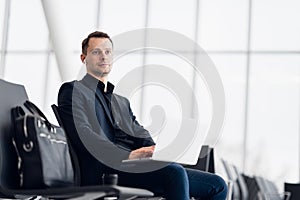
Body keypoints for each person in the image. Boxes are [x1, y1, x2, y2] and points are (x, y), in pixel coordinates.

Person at [58, 31, 227, 200]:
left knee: (217, 185)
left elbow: (139, 132)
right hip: (104, 171)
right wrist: (128, 155)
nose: (103, 57)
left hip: (133, 167)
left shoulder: (121, 101)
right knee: (174, 173)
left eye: (108, 52)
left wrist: (156, 152)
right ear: (83, 58)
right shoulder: (73, 91)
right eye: (96, 52)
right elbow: (84, 136)